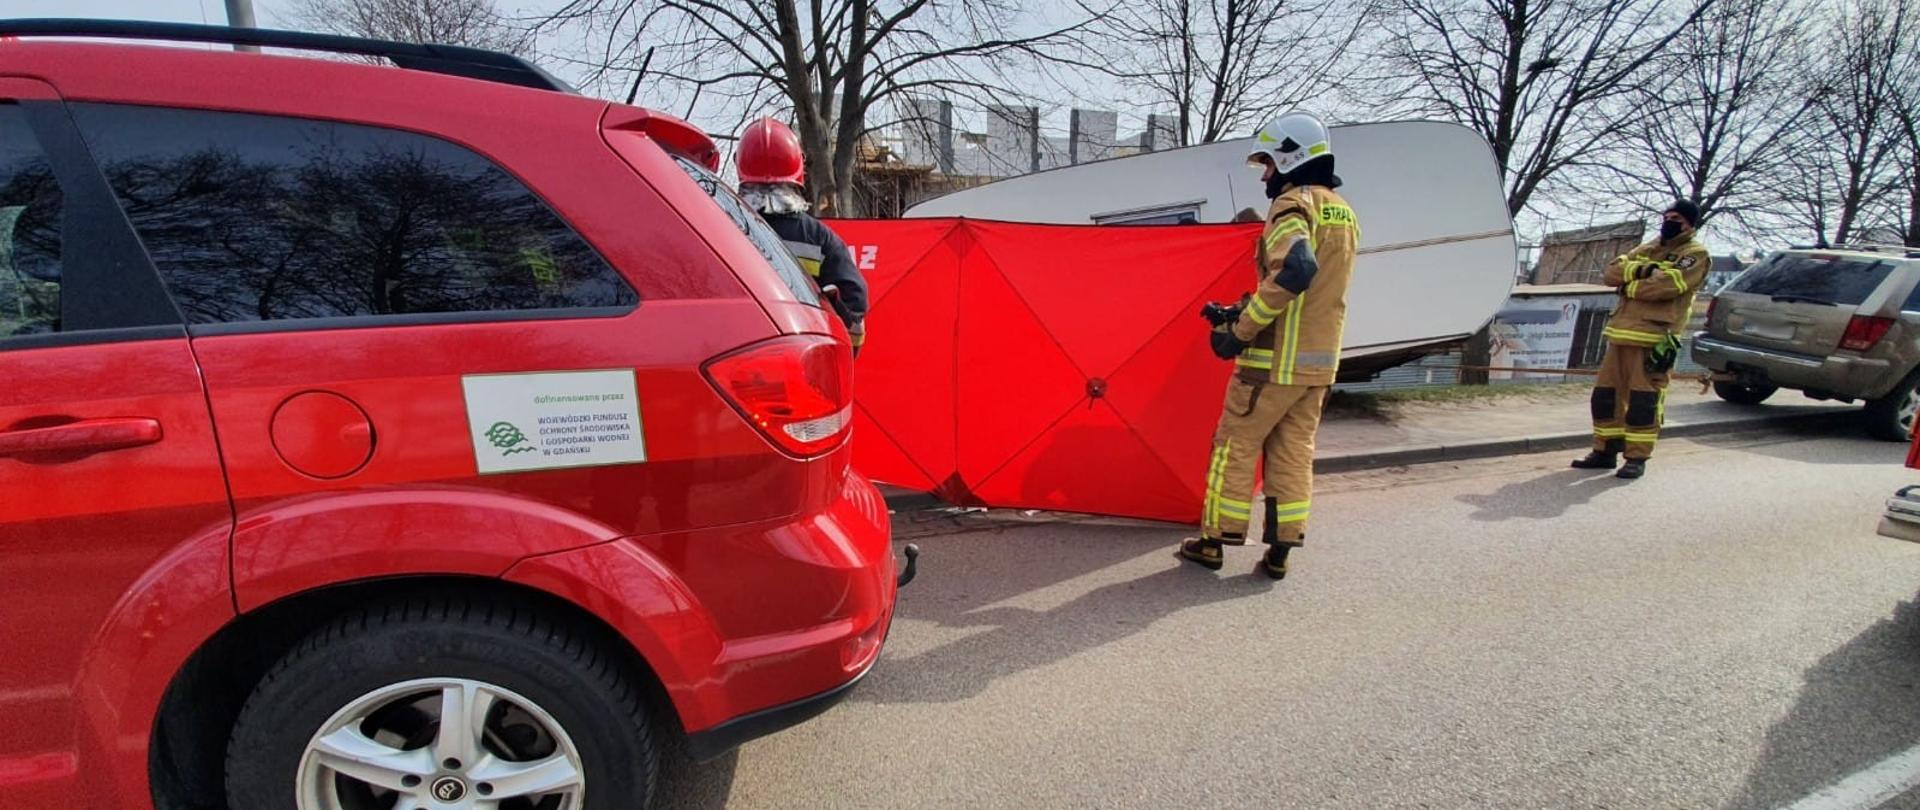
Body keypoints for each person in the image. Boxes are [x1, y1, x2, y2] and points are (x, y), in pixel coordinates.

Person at [1181, 111, 1360, 579]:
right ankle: (1281, 551)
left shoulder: (1292, 205)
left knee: (1233, 446)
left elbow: (1296, 270)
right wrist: (1243, 305)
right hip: (1318, 366)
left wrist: (1238, 332)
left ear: (1289, 157)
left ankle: (1213, 542)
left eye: (1268, 163)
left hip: (1271, 363)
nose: (1265, 174)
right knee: (1293, 452)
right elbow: (1309, 290)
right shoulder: (1342, 212)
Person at [1571, 200, 1711, 479]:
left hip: (1655, 339)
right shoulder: (1649, 247)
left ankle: (1636, 457)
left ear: (1690, 224)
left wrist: (1629, 282)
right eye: (1667, 216)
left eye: (1677, 218)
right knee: (1605, 397)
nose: (1669, 222)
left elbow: (1666, 286)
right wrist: (1643, 273)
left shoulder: (1695, 254)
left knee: (1643, 401)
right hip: (1620, 332)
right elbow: (1611, 273)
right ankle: (1604, 451)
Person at [735, 118, 869, 354]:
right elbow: (855, 305)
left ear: (741, 169)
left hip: (737, 356)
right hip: (802, 357)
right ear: (798, 168)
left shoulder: (721, 228)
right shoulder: (820, 239)